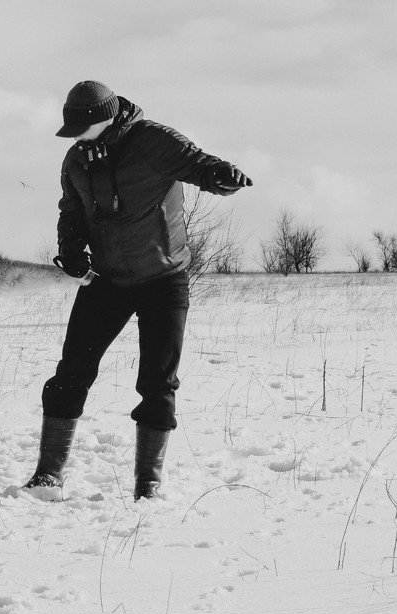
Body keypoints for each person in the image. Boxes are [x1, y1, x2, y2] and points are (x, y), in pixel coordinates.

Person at [25, 80, 252, 501]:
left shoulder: (152, 141)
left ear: (106, 118)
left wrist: (223, 177)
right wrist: (71, 249)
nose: (74, 139)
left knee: (157, 385)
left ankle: (147, 486)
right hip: (107, 280)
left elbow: (200, 165)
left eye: (81, 129)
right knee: (70, 374)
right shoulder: (76, 160)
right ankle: (47, 474)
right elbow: (70, 211)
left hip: (163, 279)